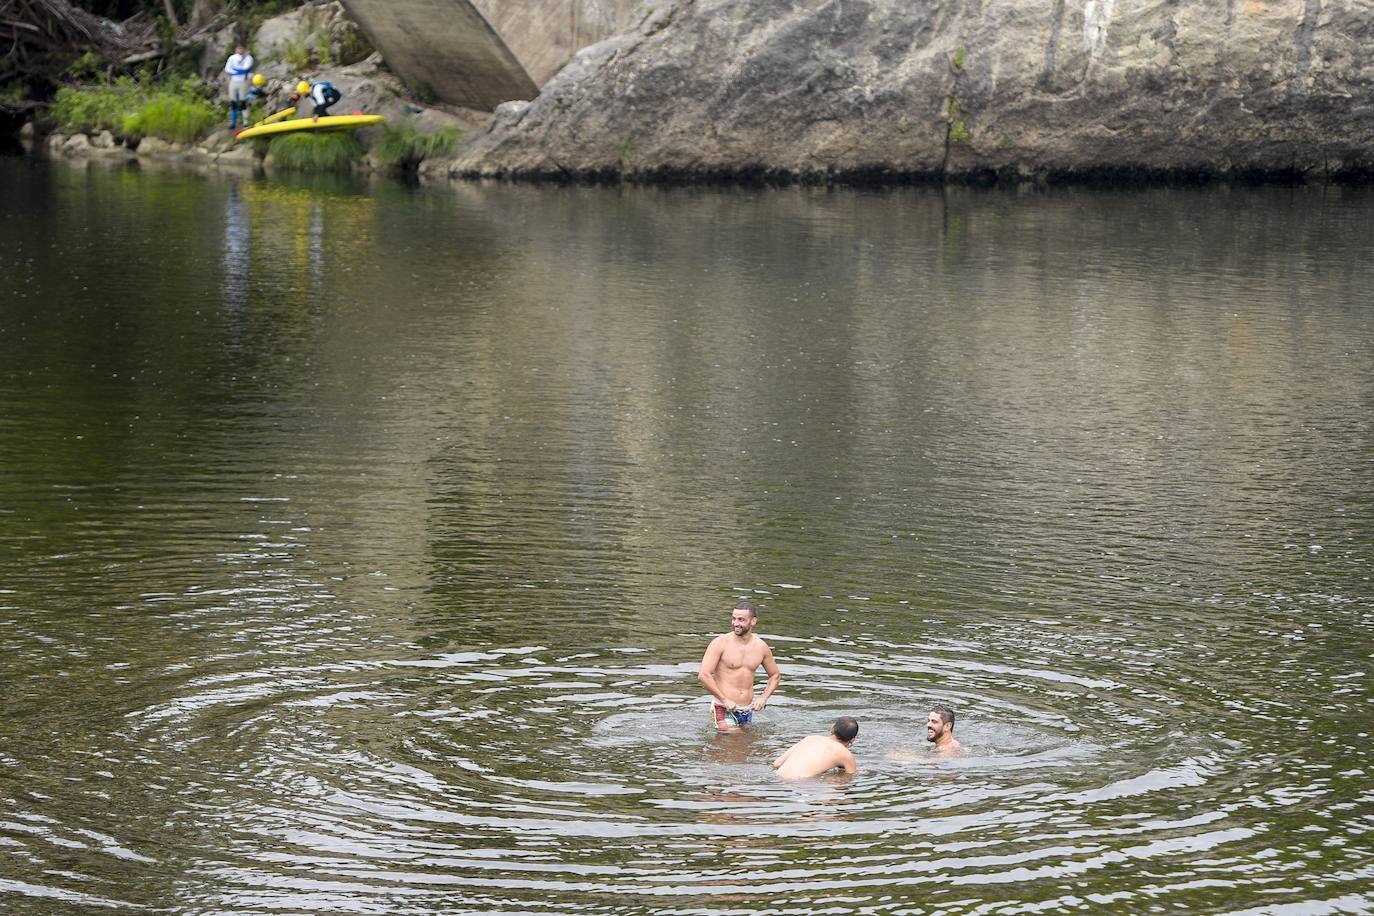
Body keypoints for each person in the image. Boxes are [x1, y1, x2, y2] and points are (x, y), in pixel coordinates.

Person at [698, 601, 780, 730]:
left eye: (741, 619)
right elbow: (704, 675)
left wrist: (763, 699)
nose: (736, 623)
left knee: (744, 745)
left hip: (746, 710)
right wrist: (724, 700)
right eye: (734, 619)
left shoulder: (761, 647)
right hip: (723, 707)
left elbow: (775, 675)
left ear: (753, 621)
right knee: (734, 737)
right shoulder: (720, 643)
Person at [773, 717, 859, 779]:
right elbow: (850, 776)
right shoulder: (845, 754)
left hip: (778, 777)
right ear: (852, 740)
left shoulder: (810, 738)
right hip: (801, 785)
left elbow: (777, 763)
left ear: (832, 728)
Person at [223, 43, 254, 129]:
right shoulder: (232, 58)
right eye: (238, 48)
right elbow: (227, 69)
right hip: (233, 81)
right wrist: (235, 71)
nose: (240, 50)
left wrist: (235, 69)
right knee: (233, 101)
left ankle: (246, 122)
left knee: (243, 101)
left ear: (244, 49)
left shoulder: (248, 58)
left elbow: (245, 69)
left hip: (244, 81)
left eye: (241, 48)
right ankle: (233, 121)